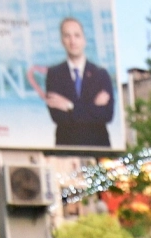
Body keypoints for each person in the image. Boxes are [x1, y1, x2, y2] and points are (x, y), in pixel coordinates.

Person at [44, 16, 115, 147]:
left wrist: (70, 107)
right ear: (62, 41)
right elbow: (58, 117)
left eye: (77, 35)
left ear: (84, 40)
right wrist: (92, 108)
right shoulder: (54, 74)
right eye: (67, 36)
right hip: (67, 148)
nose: (72, 41)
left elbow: (107, 115)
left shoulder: (101, 74)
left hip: (98, 147)